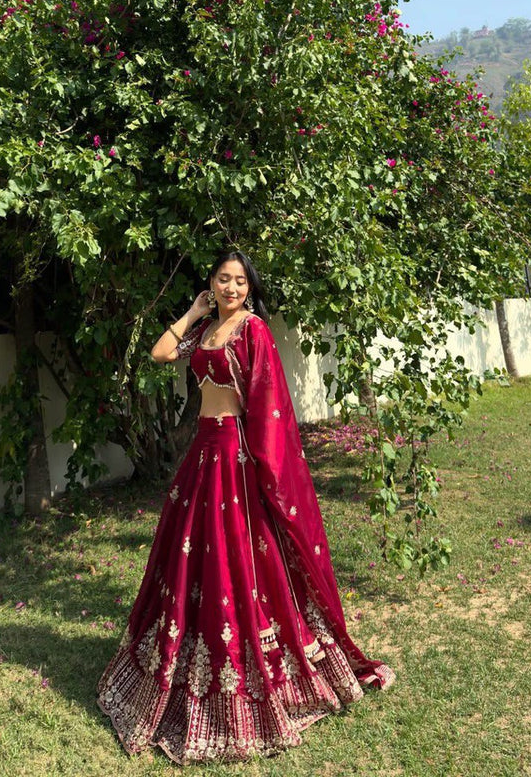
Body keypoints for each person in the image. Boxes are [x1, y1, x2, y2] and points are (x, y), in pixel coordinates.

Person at [97, 250, 395, 764]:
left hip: (234, 456)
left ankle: (254, 660)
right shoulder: (205, 329)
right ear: (211, 283)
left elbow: (268, 404)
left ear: (249, 288)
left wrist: (266, 470)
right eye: (222, 279)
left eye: (239, 281)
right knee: (190, 556)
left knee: (236, 557)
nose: (231, 287)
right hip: (202, 453)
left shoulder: (252, 330)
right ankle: (186, 652)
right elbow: (160, 353)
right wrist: (193, 312)